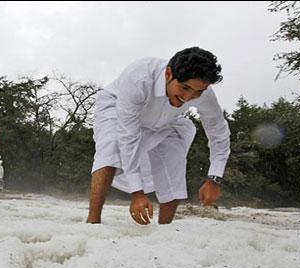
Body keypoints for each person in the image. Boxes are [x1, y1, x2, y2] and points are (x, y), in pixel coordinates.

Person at [86, 47, 230, 225]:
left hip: (166, 120)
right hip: (118, 109)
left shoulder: (203, 92)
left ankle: (165, 229)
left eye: (197, 92)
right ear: (169, 73)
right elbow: (128, 137)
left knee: (174, 154)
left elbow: (219, 133)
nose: (188, 97)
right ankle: (93, 221)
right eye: (185, 87)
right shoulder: (138, 78)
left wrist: (214, 178)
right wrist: (137, 193)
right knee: (112, 144)